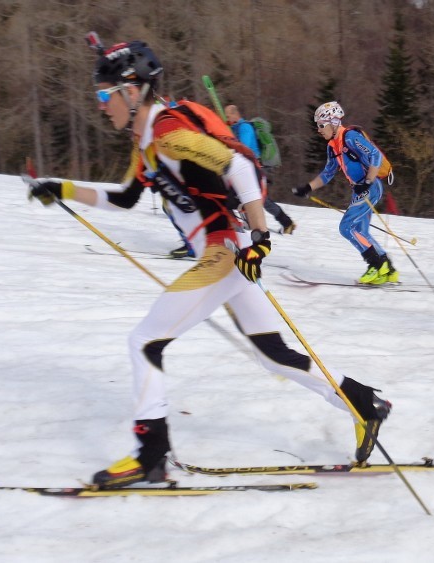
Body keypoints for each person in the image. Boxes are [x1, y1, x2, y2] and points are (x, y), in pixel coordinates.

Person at [25, 39, 390, 489]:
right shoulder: (146, 143)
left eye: (105, 95)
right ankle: (364, 404)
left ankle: (150, 457)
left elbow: (237, 166)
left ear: (132, 90)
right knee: (274, 355)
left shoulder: (168, 133)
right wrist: (60, 189)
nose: (101, 106)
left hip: (226, 252)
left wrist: (259, 236)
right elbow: (124, 199)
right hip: (228, 254)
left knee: (144, 343)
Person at [292, 101, 398, 285]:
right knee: (361, 231)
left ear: (333, 122)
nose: (319, 130)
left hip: (369, 187)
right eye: (317, 126)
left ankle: (376, 264)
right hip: (360, 189)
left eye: (321, 125)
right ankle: (388, 269)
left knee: (346, 227)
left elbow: (376, 156)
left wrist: (367, 181)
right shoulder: (333, 146)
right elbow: (328, 173)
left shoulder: (350, 137)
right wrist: (307, 188)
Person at [224, 104, 296, 235]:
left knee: (261, 199)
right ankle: (283, 223)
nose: (227, 119)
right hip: (250, 168)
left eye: (228, 116)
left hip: (255, 168)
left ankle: (287, 223)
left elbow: (244, 148)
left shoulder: (244, 128)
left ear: (235, 115)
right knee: (253, 198)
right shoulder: (236, 128)